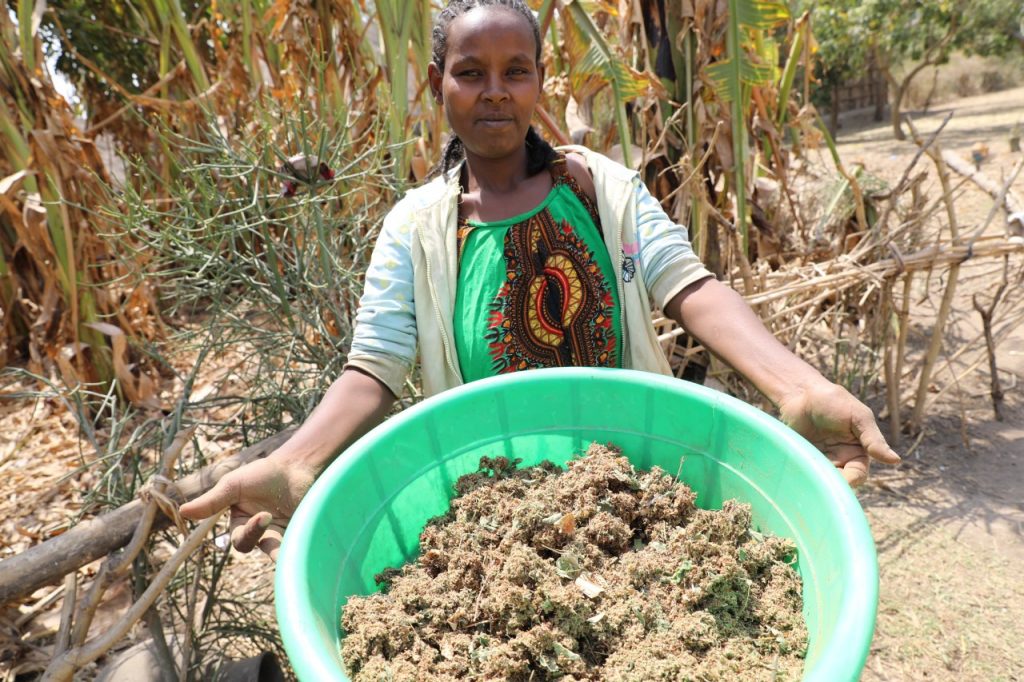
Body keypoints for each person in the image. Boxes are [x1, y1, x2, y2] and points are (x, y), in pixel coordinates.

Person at [180, 0, 900, 559]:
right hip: (495, 521)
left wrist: (798, 387)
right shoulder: (415, 229)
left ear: (538, 81)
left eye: (515, 70)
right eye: (470, 73)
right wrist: (295, 463)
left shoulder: (603, 189)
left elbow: (691, 286)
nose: (494, 92)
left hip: (637, 491)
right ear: (439, 85)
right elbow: (374, 366)